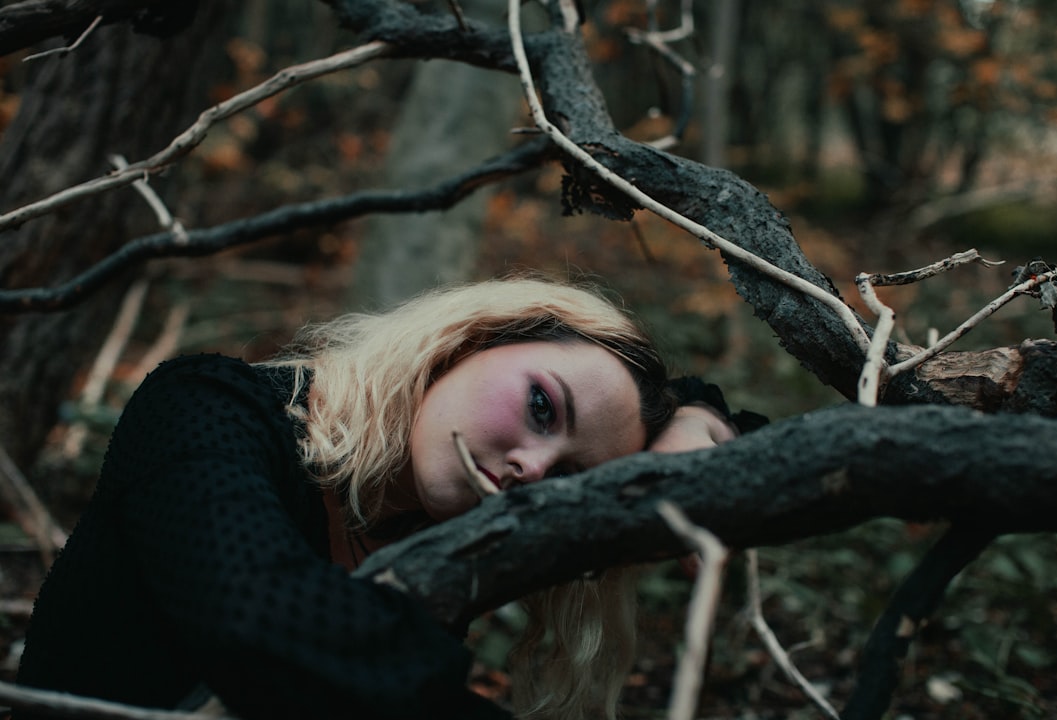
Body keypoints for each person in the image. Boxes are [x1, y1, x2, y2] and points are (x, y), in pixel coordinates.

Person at [16, 277, 758, 720]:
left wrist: (701, 415)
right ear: (471, 339)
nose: (533, 469)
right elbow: (261, 624)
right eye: (540, 407)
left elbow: (801, 453)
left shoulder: (462, 519)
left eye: (568, 477)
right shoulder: (208, 407)